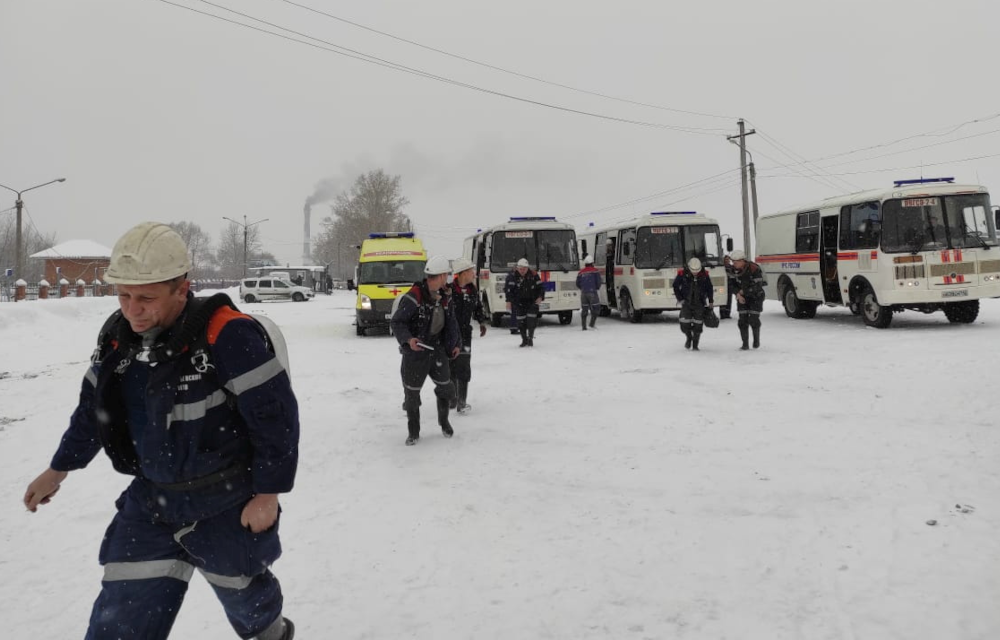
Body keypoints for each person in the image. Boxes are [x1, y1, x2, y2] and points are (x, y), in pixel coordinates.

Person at [23, 222, 298, 640]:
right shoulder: (117, 341)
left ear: (181, 289)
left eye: (146, 298)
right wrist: (59, 469)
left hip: (223, 501)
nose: (132, 310)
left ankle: (272, 634)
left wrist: (268, 494)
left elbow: (275, 420)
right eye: (124, 296)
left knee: (247, 598)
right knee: (119, 618)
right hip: (151, 501)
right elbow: (91, 412)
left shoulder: (227, 335)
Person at [391, 255, 461, 445]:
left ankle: (444, 421)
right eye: (445, 275)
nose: (447, 278)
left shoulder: (445, 296)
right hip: (416, 353)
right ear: (438, 276)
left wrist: (455, 344)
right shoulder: (414, 296)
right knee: (412, 394)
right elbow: (397, 322)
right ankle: (413, 432)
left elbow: (451, 323)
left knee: (446, 388)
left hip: (437, 351)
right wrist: (408, 339)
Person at [447, 258, 487, 414]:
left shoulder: (473, 290)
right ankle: (452, 397)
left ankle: (462, 401)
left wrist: (482, 322)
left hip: (465, 334)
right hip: (449, 335)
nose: (474, 274)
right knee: (450, 367)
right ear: (463, 273)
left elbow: (477, 308)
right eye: (471, 271)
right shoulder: (449, 290)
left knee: (464, 366)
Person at [672, 257, 714, 351]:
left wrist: (711, 300)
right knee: (684, 323)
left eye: (697, 271)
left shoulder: (705, 275)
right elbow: (675, 286)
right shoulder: (682, 274)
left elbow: (709, 288)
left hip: (700, 303)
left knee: (698, 324)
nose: (695, 272)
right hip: (686, 302)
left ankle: (695, 345)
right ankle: (688, 337)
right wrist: (680, 298)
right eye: (693, 271)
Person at [730, 249, 766, 350]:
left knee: (753, 320)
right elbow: (731, 285)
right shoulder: (732, 271)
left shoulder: (754, 269)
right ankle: (745, 344)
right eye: (733, 262)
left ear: (742, 261)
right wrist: (738, 294)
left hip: (756, 297)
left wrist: (743, 292)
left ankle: (756, 341)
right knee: (742, 321)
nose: (734, 264)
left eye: (736, 262)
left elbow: (757, 286)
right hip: (742, 298)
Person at [504, 257, 544, 347]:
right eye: (520, 269)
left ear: (527, 268)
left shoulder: (534, 275)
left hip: (532, 302)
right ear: (517, 268)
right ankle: (524, 340)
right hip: (519, 302)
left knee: (531, 321)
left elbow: (541, 288)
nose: (522, 271)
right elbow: (508, 290)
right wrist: (509, 301)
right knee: (521, 322)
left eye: (524, 269)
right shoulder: (512, 276)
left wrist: (540, 297)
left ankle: (530, 338)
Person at [576, 255, 601, 330]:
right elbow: (598, 282)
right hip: (592, 292)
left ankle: (584, 326)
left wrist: (583, 288)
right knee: (596, 308)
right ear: (592, 263)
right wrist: (596, 288)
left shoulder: (581, 272)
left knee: (584, 309)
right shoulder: (595, 271)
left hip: (583, 293)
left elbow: (577, 283)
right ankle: (592, 324)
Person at [720, 254, 737, 319]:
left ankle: (727, 314)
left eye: (728, 259)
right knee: (722, 299)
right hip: (723, 285)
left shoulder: (731, 267)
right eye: (726, 259)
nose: (727, 260)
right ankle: (722, 314)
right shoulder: (721, 267)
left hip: (729, 285)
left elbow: (734, 275)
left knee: (729, 300)